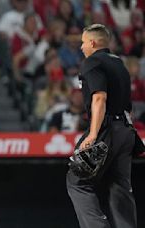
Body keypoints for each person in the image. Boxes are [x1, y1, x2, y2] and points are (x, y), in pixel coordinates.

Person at [66, 24, 141, 228]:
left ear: (92, 42)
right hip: (126, 129)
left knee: (77, 181)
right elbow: (128, 105)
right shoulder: (120, 64)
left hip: (106, 129)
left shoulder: (92, 62)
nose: (81, 46)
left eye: (83, 42)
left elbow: (99, 98)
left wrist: (92, 134)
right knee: (120, 185)